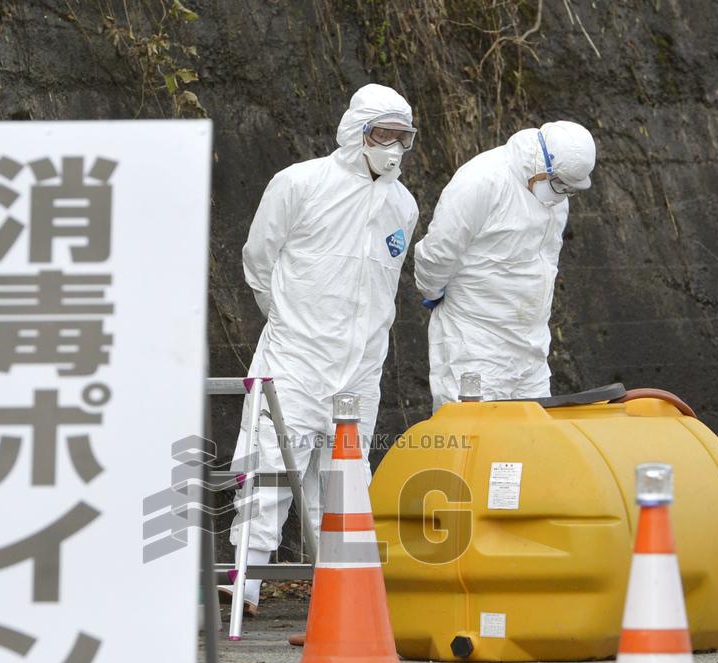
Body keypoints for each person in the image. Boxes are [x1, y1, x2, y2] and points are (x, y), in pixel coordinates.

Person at [222, 83, 420, 615]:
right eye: (384, 135)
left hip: (360, 368)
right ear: (356, 133)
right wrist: (290, 323)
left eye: (404, 138)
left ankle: (343, 594)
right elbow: (258, 262)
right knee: (267, 465)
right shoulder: (300, 184)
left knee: (345, 480)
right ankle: (246, 583)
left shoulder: (402, 205)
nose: (394, 148)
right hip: (296, 357)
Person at [414, 121, 595, 408]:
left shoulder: (557, 197)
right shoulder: (482, 180)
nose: (562, 193)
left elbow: (546, 263)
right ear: (541, 160)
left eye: (570, 189)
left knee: (531, 443)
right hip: (476, 343)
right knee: (472, 441)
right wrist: (432, 291)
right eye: (560, 183)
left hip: (531, 348)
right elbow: (438, 250)